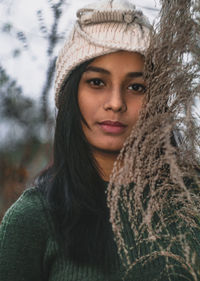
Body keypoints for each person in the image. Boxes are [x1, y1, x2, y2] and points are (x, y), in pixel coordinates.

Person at [0, 0, 199, 280]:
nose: (116, 103)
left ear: (156, 100)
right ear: (71, 95)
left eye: (136, 87)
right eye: (97, 82)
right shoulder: (34, 220)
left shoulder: (191, 205)